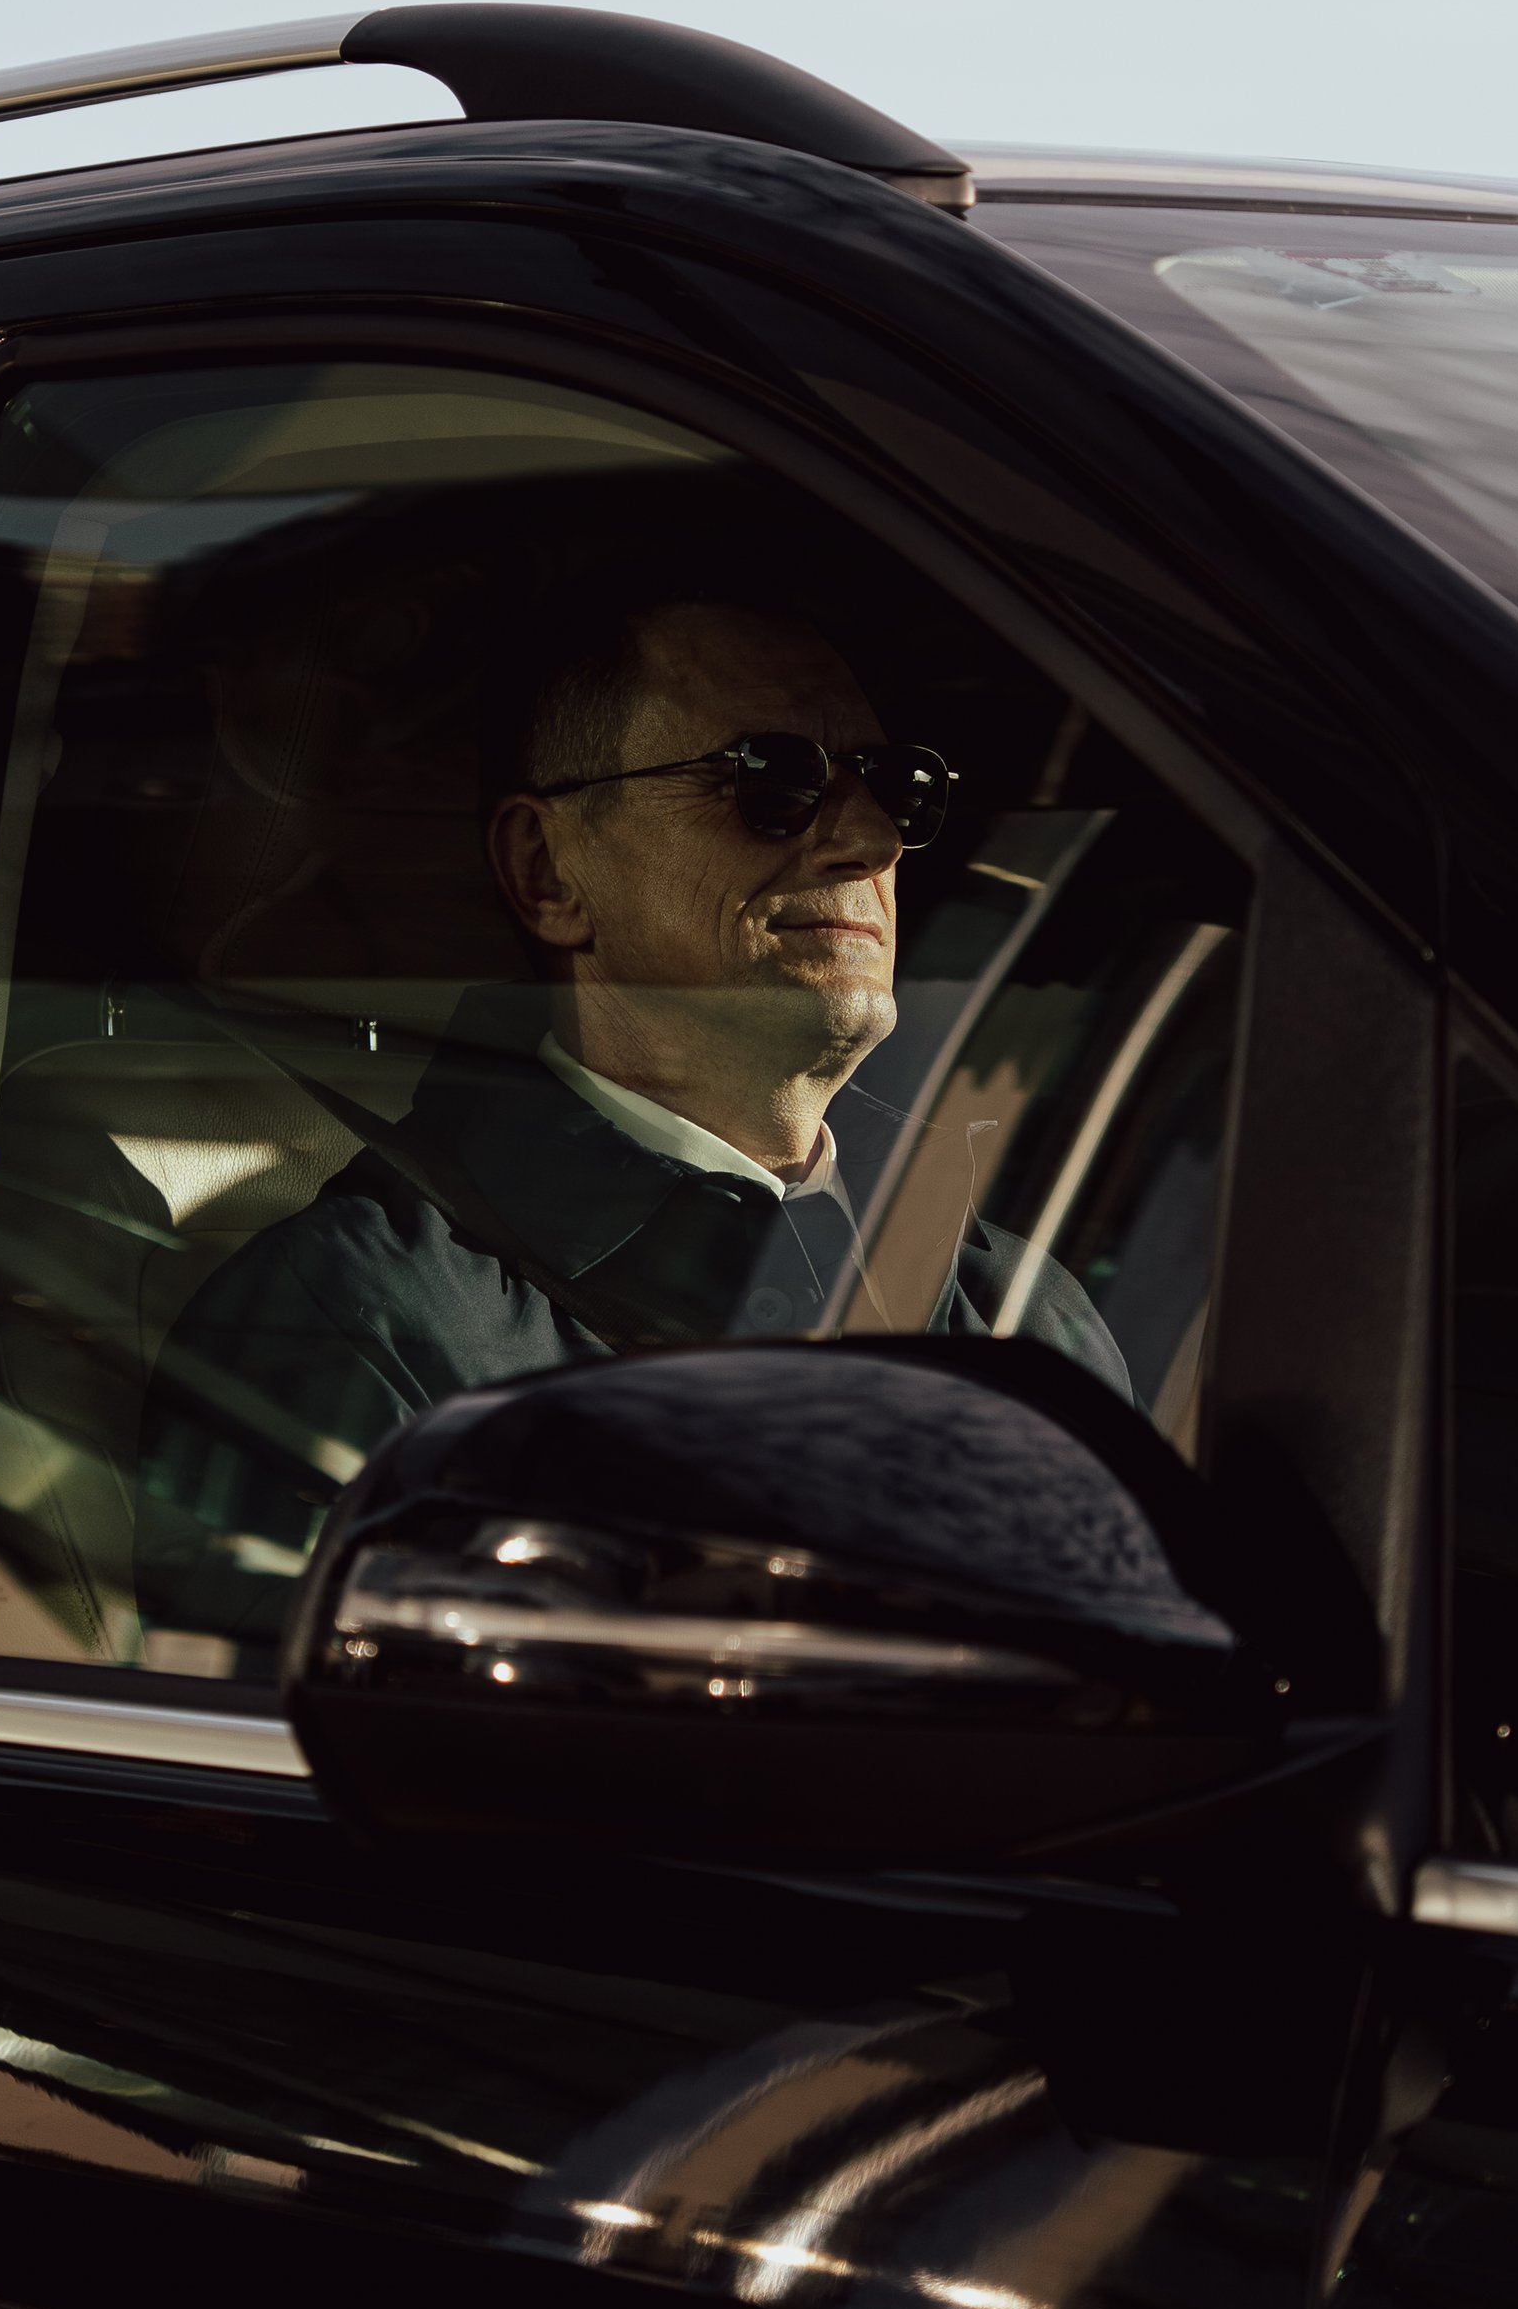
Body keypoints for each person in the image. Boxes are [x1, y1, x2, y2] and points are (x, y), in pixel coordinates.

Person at [136, 587, 1129, 1641]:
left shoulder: (1017, 1307)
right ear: (546, 870)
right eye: (771, 778)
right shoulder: (356, 1317)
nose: (868, 837)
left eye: (898, 786)